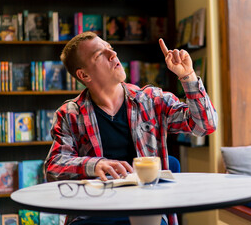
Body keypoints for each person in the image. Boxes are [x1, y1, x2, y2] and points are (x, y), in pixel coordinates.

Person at [44, 31, 218, 225]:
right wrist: (95, 165)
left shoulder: (152, 99)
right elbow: (53, 167)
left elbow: (205, 125)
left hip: (147, 212)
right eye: (99, 54)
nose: (113, 54)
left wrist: (188, 76)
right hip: (94, 215)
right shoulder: (69, 114)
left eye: (110, 48)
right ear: (84, 74)